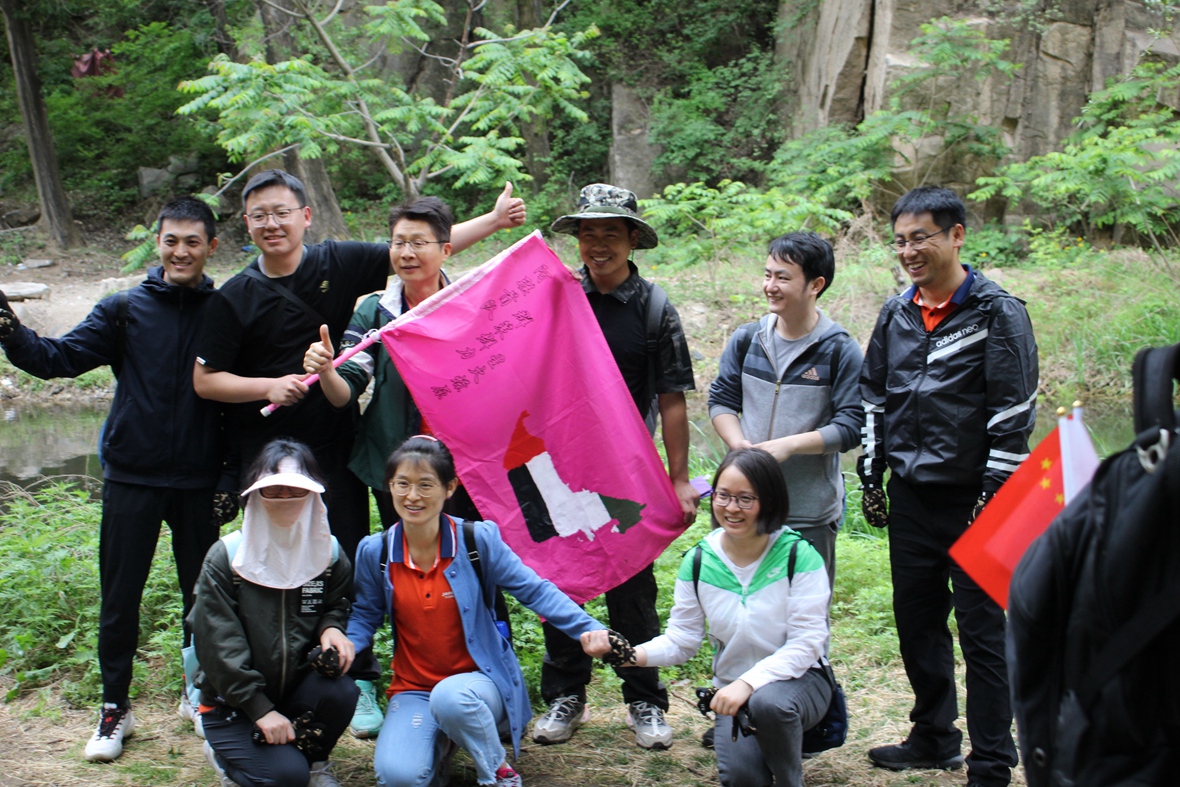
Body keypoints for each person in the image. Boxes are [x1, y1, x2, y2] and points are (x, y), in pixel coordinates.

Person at [0, 197, 233, 761]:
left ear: (211, 246)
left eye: (193, 242)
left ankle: (199, 694)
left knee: (202, 598)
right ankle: (114, 708)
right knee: (119, 598)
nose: (181, 252)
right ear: (158, 243)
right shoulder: (124, 309)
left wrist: (230, 475)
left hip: (200, 481)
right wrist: (7, 326)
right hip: (132, 477)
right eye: (171, 241)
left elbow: (240, 406)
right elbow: (56, 359)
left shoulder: (227, 311)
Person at [193, 170, 526, 564]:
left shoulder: (337, 261)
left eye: (281, 213)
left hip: (336, 441)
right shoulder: (233, 296)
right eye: (260, 216)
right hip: (267, 447)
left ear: (306, 215)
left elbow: (420, 247)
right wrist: (268, 387)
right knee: (277, 553)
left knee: (346, 553)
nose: (272, 224)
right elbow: (205, 381)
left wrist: (495, 221)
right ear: (247, 222)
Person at [859, 186, 1037, 787]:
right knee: (918, 623)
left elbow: (1014, 413)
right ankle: (934, 738)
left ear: (957, 235)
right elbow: (874, 395)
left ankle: (992, 762)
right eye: (900, 241)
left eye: (921, 238)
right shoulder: (897, 312)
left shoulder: (997, 311)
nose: (909, 251)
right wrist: (871, 472)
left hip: (979, 499)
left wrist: (994, 494)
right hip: (912, 495)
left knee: (984, 635)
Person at [345, 436, 615, 787]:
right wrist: (346, 646)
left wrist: (588, 629)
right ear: (389, 486)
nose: (412, 496)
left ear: (449, 488)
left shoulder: (476, 540)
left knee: (452, 698)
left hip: (479, 685)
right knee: (399, 778)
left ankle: (498, 774)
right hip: (414, 689)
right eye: (402, 484)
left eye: (426, 485)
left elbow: (534, 590)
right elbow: (364, 614)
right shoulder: (376, 551)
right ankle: (444, 740)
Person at [534, 183, 699, 749]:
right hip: (558, 469)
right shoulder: (557, 298)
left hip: (626, 472)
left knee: (632, 589)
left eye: (610, 233)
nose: (598, 244)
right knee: (562, 583)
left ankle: (644, 699)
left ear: (632, 240)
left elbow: (672, 399)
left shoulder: (653, 309)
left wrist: (678, 478)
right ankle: (566, 695)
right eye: (588, 233)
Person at [625, 447, 832, 787]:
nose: (731, 508)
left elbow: (807, 643)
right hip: (732, 692)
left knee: (769, 704)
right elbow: (682, 640)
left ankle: (789, 779)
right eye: (723, 496)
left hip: (800, 683)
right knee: (742, 779)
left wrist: (748, 683)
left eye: (745, 499)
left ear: (769, 501)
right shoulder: (699, 561)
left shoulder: (799, 555)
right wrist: (633, 655)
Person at [190, 439, 358, 787]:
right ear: (254, 493)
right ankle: (227, 761)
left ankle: (315, 762)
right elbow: (218, 645)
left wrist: (331, 627)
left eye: (296, 489)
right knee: (286, 779)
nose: (285, 497)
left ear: (314, 493)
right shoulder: (228, 557)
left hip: (295, 695)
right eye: (274, 489)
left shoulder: (328, 554)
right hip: (234, 704)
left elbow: (337, 602)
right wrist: (259, 709)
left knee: (341, 692)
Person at [708, 230, 864, 590]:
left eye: (782, 277)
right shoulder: (748, 339)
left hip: (808, 511)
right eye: (767, 275)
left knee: (805, 610)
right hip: (745, 507)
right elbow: (722, 399)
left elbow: (851, 425)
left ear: (816, 285)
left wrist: (789, 446)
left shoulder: (839, 350)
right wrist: (739, 446)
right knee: (740, 603)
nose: (770, 286)